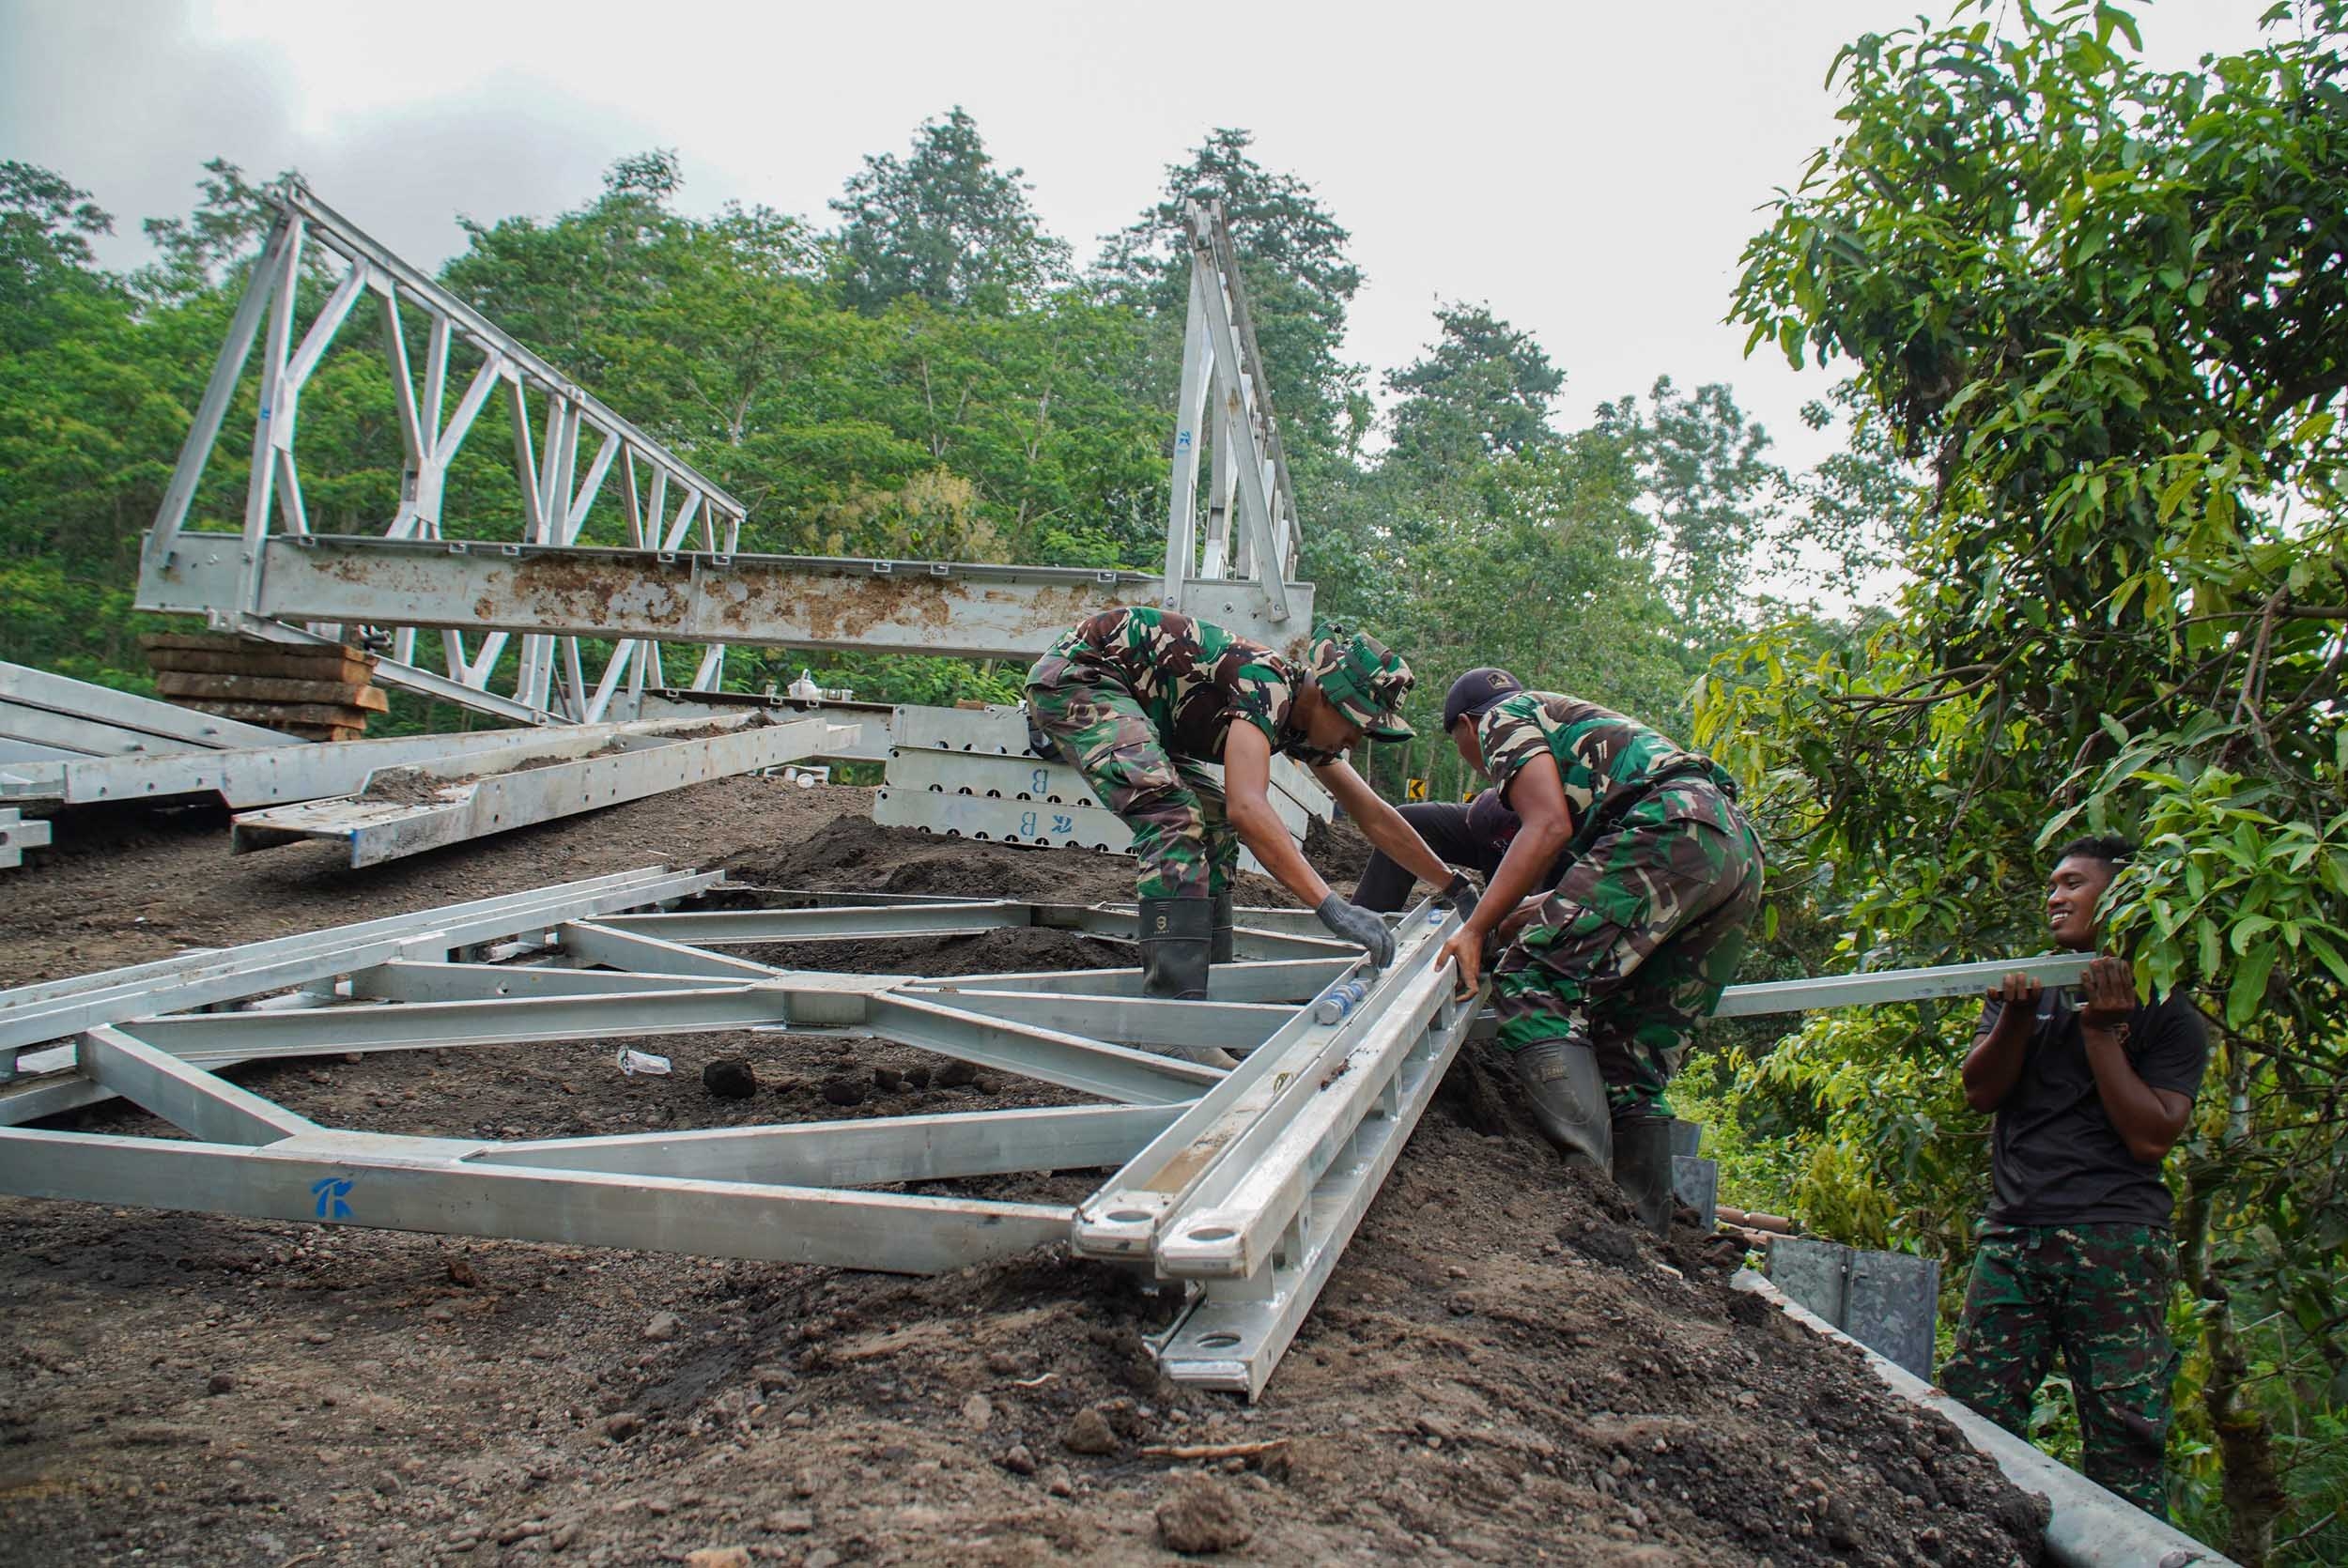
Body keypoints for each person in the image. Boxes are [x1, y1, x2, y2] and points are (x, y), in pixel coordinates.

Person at [1025, 608, 1471, 1056]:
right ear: (1328, 698)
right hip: (1082, 677)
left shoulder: (1302, 719)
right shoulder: (1267, 683)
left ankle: (1203, 1002)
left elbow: (1374, 815)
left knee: (1212, 820)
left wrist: (1455, 885)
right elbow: (1249, 807)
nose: (1356, 740)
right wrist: (1333, 908)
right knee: (1174, 816)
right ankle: (1171, 1027)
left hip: (1143, 710)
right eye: (1357, 724)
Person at [1939, 836, 2207, 1519]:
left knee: (2127, 1440)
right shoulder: (2026, 991)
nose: (2054, 898)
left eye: (2072, 884)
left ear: (2118, 897)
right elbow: (1979, 1092)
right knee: (1973, 1422)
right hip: (2014, 1237)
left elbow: (2151, 1135)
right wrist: (2020, 1020)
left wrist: (2101, 1034)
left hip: (2115, 1246)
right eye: (2051, 886)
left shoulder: (2167, 1008)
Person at [1436, 680, 1764, 1234]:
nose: (1479, 767)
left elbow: (1547, 826)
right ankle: (1645, 1236)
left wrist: (1476, 928)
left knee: (1533, 980)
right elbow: (1591, 888)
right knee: (1628, 1049)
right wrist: (1516, 915)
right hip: (1732, 849)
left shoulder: (1501, 719)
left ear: (1465, 726)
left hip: (1668, 829)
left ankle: (1590, 1194)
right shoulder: (1570, 723)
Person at [1353, 671, 1576, 915]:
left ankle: (1511, 928)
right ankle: (1365, 924)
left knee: (1504, 822)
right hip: (1527, 823)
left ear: (1466, 726)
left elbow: (1551, 826)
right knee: (1411, 822)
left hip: (1577, 845)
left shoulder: (1506, 728)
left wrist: (1486, 921)